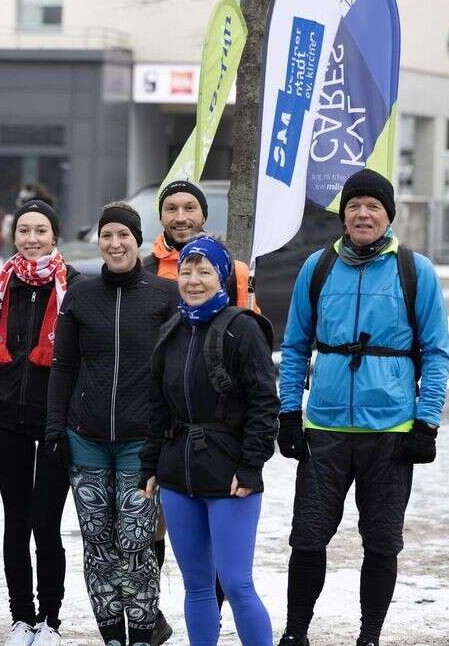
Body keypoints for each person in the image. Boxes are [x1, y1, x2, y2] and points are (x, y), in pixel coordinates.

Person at [275, 169, 449, 646]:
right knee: (308, 538)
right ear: (343, 216)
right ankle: (296, 633)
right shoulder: (317, 268)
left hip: (391, 430)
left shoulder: (416, 271)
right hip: (326, 428)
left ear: (388, 215)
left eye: (373, 206)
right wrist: (290, 412)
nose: (362, 213)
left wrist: (427, 421)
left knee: (381, 542)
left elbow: (436, 353)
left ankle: (369, 635)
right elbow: (294, 347)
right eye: (354, 206)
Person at [44, 202, 178, 646]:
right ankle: (111, 637)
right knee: (98, 548)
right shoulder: (80, 294)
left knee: (137, 547)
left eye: (124, 235)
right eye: (107, 236)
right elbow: (63, 367)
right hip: (86, 439)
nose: (116, 243)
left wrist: (169, 432)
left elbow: (176, 370)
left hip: (142, 444)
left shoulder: (164, 294)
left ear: (138, 240)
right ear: (98, 241)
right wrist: (54, 427)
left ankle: (142, 634)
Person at [139, 235, 278, 646]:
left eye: (204, 271)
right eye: (186, 271)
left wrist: (252, 465)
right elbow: (157, 407)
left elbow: (264, 403)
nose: (194, 280)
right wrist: (150, 465)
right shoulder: (171, 331)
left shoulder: (242, 329)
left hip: (230, 475)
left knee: (236, 584)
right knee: (196, 586)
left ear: (221, 277)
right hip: (178, 474)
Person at [0, 199, 81, 646]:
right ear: (13, 235)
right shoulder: (1, 286)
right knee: (16, 522)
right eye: (24, 230)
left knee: (46, 522)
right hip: (7, 417)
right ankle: (21, 616)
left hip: (54, 421)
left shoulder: (74, 286)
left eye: (41, 230)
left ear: (55, 236)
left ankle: (50, 620)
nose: (32, 238)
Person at [145, 180, 254, 309]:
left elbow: (247, 326)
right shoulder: (145, 270)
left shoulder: (235, 272)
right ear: (161, 218)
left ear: (204, 216)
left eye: (189, 208)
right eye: (171, 209)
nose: (181, 218)